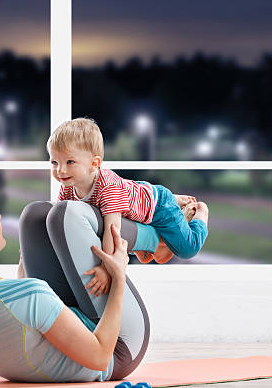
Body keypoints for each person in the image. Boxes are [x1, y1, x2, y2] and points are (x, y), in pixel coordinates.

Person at [0, 189, 156, 386]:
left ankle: (153, 238)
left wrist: (22, 279)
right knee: (66, 215)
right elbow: (100, 357)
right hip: (117, 350)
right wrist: (118, 275)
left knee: (35, 215)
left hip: (71, 337)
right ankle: (155, 239)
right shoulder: (29, 296)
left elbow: (18, 328)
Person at [47, 118, 209, 296]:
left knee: (188, 248)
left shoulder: (107, 188)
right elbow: (58, 218)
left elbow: (113, 231)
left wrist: (105, 268)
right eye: (54, 162)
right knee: (125, 213)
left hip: (159, 207)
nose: (60, 170)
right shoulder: (68, 187)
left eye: (70, 162)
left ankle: (197, 212)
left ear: (94, 163)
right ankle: (173, 202)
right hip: (133, 194)